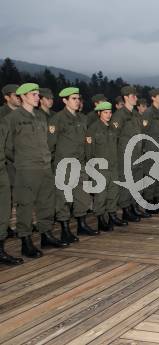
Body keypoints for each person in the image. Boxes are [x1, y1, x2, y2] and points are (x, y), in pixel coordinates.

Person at [4, 83, 68, 258]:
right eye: (33, 94)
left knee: (46, 202)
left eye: (38, 95)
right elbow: (7, 146)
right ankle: (25, 241)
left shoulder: (40, 116)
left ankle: (46, 235)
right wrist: (20, 160)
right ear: (23, 96)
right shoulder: (13, 118)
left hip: (45, 166)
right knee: (25, 205)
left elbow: (47, 141)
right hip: (26, 168)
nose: (37, 97)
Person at [48, 87, 98, 242]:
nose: (77, 101)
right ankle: (64, 229)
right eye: (73, 99)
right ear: (64, 100)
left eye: (78, 98)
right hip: (64, 164)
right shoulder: (57, 120)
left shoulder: (82, 118)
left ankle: (81, 225)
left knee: (82, 196)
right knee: (63, 198)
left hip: (80, 163)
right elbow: (50, 145)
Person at [85, 101, 127, 231]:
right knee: (101, 195)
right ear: (99, 113)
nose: (108, 115)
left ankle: (112, 215)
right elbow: (89, 151)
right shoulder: (93, 129)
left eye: (110, 112)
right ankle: (100, 219)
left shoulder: (112, 128)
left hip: (113, 166)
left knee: (113, 192)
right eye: (105, 113)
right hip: (100, 168)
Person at [111, 85, 150, 221]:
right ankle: (126, 209)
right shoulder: (119, 115)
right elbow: (113, 136)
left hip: (137, 154)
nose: (136, 98)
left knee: (137, 180)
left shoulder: (135, 115)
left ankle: (134, 207)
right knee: (127, 181)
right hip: (125, 155)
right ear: (126, 97)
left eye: (136, 96)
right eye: (133, 96)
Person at [0, 120, 23, 265]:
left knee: (3, 211)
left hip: (1, 170)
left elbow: (9, 150)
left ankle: (0, 250)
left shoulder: (3, 126)